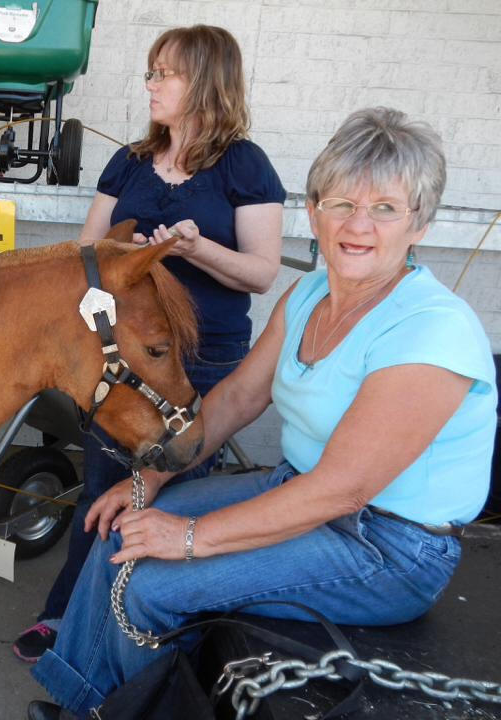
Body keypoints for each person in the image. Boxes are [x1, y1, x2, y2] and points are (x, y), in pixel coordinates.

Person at [25, 106, 499, 720]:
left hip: (389, 547)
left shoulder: (432, 329)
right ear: (314, 211)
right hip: (299, 491)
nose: (359, 225)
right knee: (122, 524)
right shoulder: (309, 294)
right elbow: (237, 399)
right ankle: (88, 704)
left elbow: (344, 489)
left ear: (420, 222)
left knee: (151, 584)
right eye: (340, 204)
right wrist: (153, 478)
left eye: (385, 208)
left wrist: (191, 538)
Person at [13, 24, 286, 663]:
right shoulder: (131, 160)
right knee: (104, 488)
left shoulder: (244, 165)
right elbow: (83, 252)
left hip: (206, 359)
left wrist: (196, 248)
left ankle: (156, 626)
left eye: (166, 73)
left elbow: (263, 271)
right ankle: (65, 616)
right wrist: (122, 255)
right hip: (125, 356)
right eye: (151, 71)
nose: (152, 84)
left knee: (177, 491)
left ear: (208, 84)